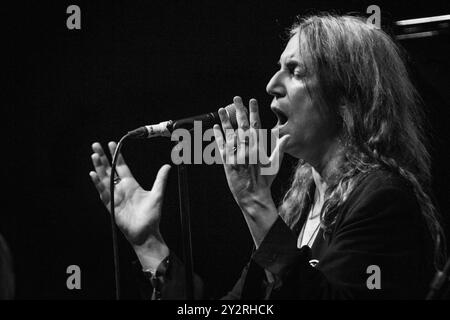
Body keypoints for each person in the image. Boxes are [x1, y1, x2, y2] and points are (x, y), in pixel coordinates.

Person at [89, 14, 446, 299]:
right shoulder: (297, 208)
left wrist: (255, 203)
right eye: (279, 68)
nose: (272, 84)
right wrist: (149, 244)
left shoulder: (383, 198)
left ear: (347, 98)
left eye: (295, 71)